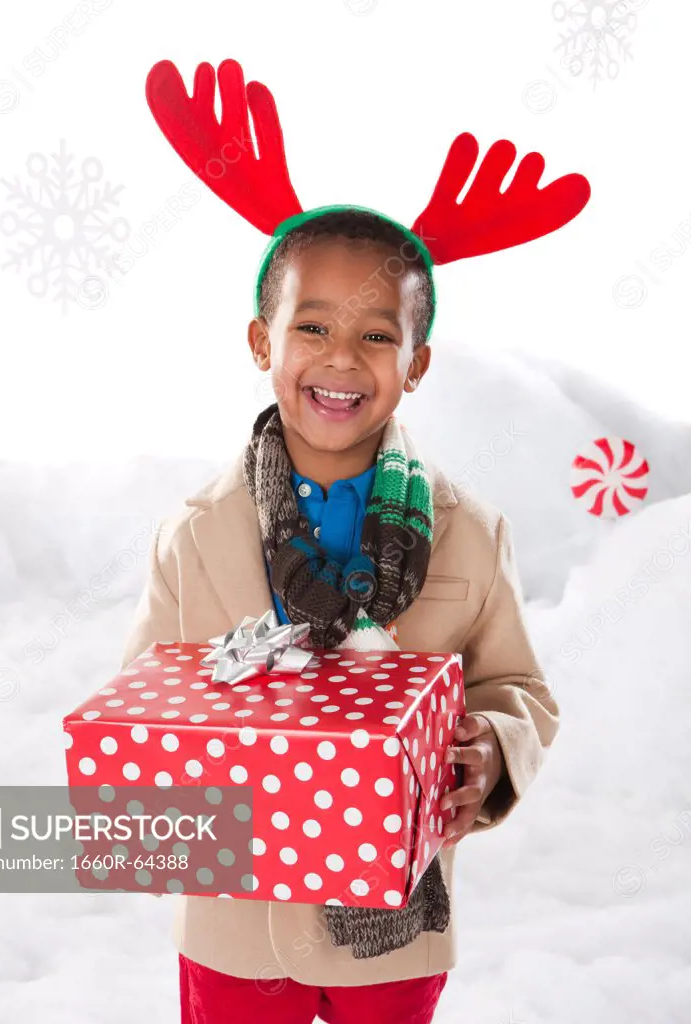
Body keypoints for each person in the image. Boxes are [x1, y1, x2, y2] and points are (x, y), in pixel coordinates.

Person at [119, 56, 588, 1024]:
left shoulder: (468, 531)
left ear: (416, 364)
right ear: (264, 342)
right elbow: (146, 700)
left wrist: (490, 752)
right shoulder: (194, 533)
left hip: (397, 923)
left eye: (378, 336)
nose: (341, 358)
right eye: (314, 326)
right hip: (233, 922)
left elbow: (518, 688)